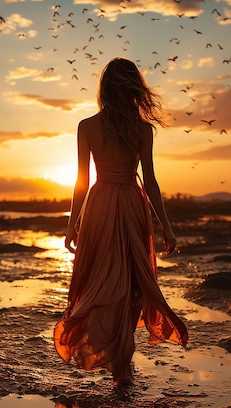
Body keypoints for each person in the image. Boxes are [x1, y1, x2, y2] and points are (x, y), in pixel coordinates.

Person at [54, 57, 188, 386]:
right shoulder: (143, 129)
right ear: (133, 90)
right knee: (131, 285)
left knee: (100, 282)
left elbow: (81, 182)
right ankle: (121, 361)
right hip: (130, 203)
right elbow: (151, 182)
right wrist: (166, 226)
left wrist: (73, 224)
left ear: (104, 90)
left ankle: (116, 358)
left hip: (99, 207)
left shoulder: (88, 126)